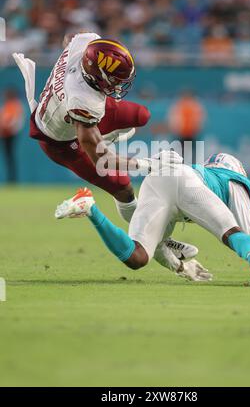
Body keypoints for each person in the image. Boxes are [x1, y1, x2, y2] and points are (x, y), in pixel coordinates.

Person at [14, 33, 196, 260]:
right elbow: (102, 159)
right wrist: (149, 164)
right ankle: (159, 240)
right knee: (123, 188)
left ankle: (102, 132)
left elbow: (70, 37)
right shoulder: (82, 100)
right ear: (98, 76)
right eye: (116, 80)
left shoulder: (85, 43)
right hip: (63, 143)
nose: (120, 85)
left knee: (142, 115)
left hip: (78, 111)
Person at [55, 151, 250, 286]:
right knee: (233, 234)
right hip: (185, 182)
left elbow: (158, 248)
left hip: (160, 180)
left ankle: (90, 208)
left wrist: (180, 266)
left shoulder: (202, 170)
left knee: (138, 256)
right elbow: (248, 229)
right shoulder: (232, 179)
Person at [168, 89, 205, 163]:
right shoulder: (178, 105)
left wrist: (196, 128)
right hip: (181, 134)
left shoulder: (195, 105)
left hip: (192, 134)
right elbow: (173, 119)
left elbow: (200, 119)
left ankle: (191, 167)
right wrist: (176, 128)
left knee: (192, 154)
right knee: (179, 154)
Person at [0, 88, 24, 183]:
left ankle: (12, 179)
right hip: (4, 134)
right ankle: (10, 179)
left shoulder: (15, 105)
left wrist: (6, 126)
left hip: (9, 135)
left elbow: (14, 122)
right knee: (8, 157)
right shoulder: (7, 105)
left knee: (10, 157)